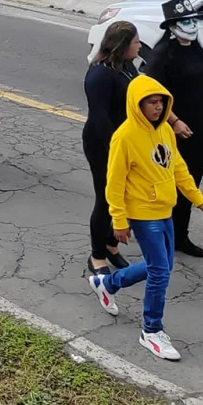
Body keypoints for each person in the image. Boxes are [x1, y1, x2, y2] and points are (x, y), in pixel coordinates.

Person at [89, 76, 203, 362]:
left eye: (161, 103)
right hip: (143, 215)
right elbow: (114, 184)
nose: (158, 108)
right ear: (137, 104)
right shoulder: (125, 136)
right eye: (152, 103)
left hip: (164, 210)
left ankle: (108, 284)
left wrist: (199, 199)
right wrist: (118, 221)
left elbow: (178, 168)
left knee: (163, 265)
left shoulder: (165, 132)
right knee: (160, 271)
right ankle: (151, 330)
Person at [144, 2, 203, 259]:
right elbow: (153, 94)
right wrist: (173, 121)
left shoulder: (198, 51)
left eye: (194, 20)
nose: (192, 25)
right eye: (186, 21)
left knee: (191, 181)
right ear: (173, 26)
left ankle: (180, 234)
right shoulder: (163, 53)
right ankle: (159, 234)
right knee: (169, 183)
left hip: (197, 125)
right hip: (170, 128)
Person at [83, 21, 140, 278]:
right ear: (123, 45)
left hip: (126, 142)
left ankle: (110, 244)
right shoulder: (99, 74)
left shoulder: (127, 67)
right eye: (136, 42)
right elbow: (99, 117)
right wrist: (116, 149)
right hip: (103, 143)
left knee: (123, 197)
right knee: (106, 199)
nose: (139, 45)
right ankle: (96, 255)